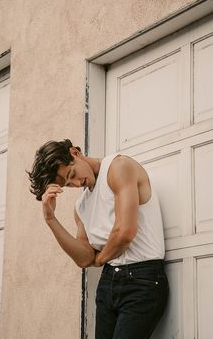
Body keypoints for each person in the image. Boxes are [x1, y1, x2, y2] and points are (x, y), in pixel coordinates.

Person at [28, 138, 169, 339]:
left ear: (75, 153)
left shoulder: (118, 167)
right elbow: (84, 258)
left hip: (142, 281)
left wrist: (100, 259)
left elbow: (125, 232)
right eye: (68, 184)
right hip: (107, 284)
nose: (76, 184)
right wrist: (51, 219)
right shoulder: (81, 206)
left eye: (72, 174)